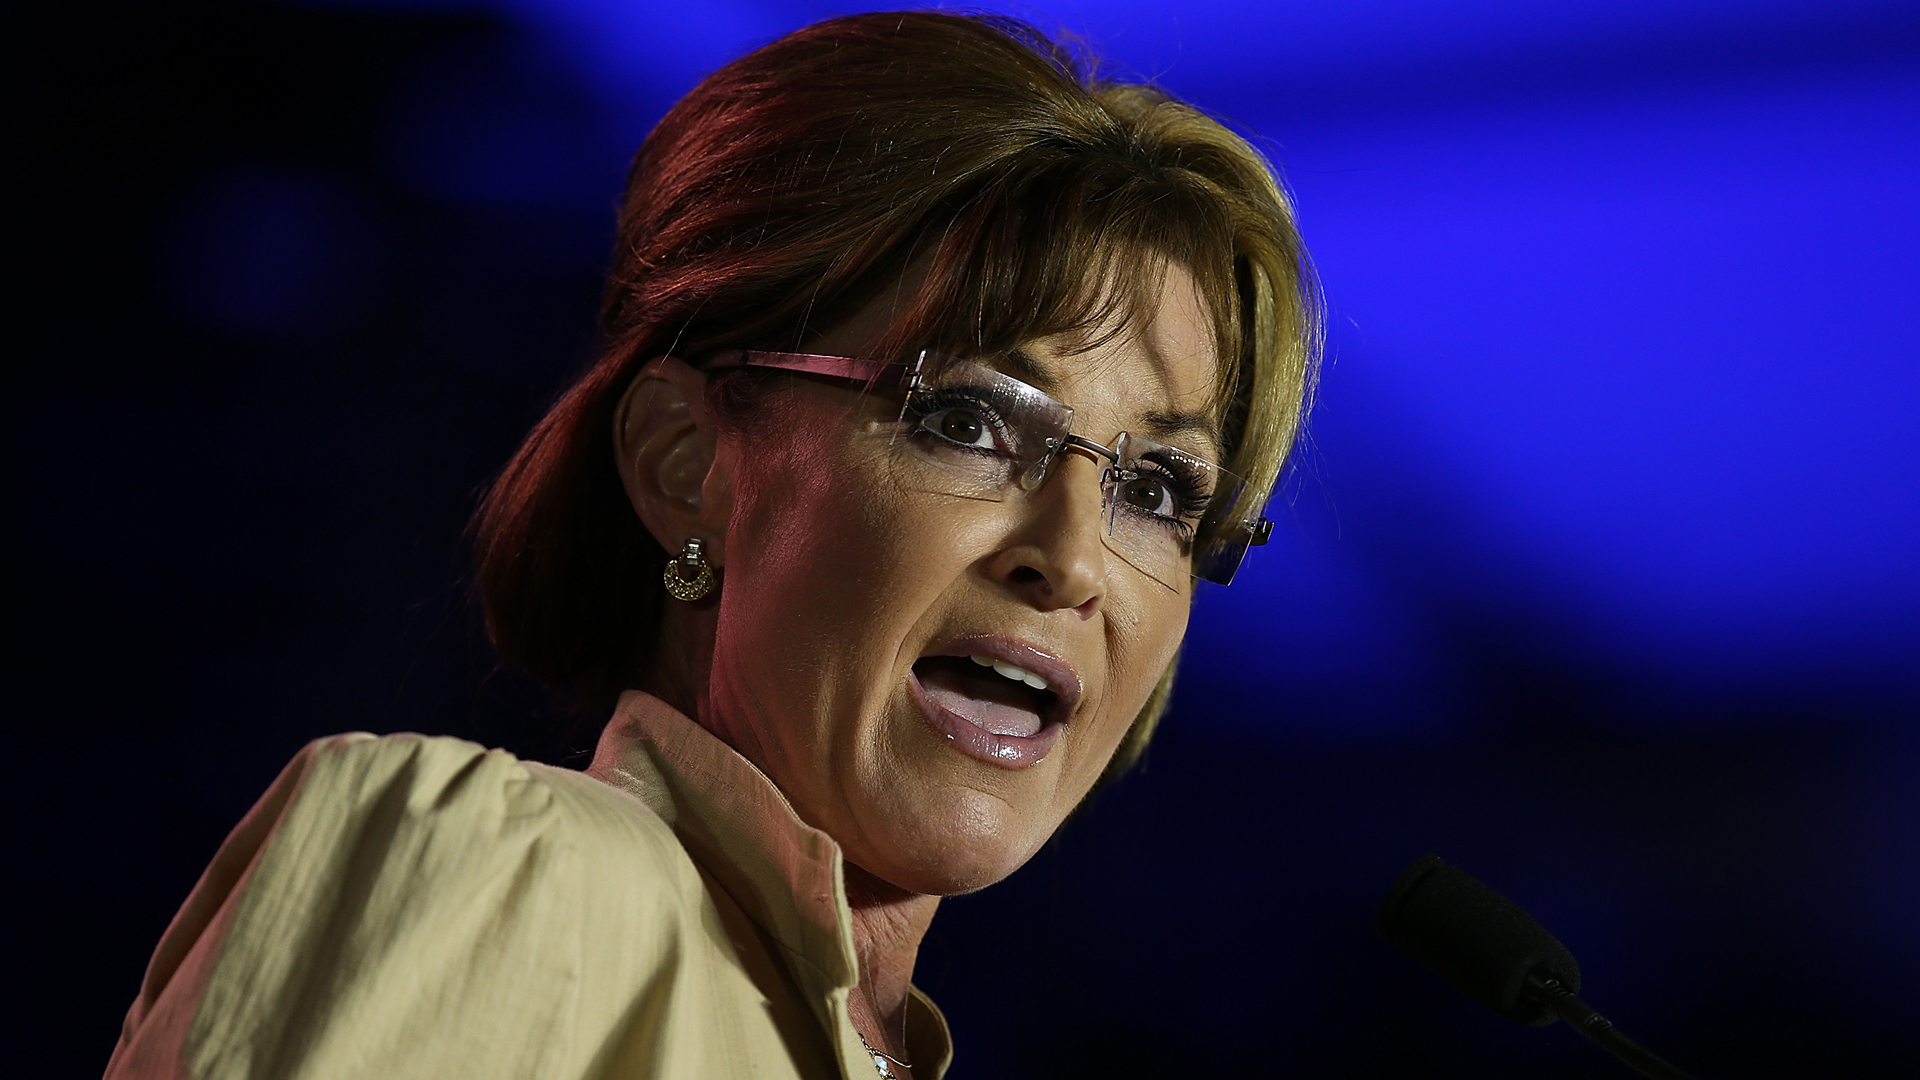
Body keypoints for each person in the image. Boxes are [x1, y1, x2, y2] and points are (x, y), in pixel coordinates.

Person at [104, 10, 1319, 1079]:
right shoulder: (517, 885)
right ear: (687, 464)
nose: (1074, 558)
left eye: (1158, 489)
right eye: (968, 420)